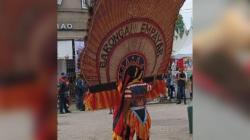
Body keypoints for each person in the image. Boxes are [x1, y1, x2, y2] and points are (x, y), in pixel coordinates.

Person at [112, 66, 152, 140]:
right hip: (144, 114)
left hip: (132, 115)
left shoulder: (129, 87)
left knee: (127, 134)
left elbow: (128, 101)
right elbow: (152, 87)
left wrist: (123, 115)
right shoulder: (145, 85)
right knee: (142, 135)